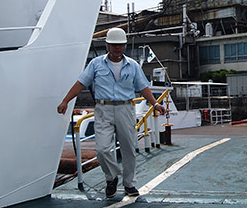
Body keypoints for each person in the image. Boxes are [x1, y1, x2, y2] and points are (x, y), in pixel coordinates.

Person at [57, 27, 166, 199]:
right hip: (103, 109)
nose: (118, 48)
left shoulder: (133, 65)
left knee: (129, 149)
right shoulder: (96, 64)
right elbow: (80, 84)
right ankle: (112, 177)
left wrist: (155, 104)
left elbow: (143, 87)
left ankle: (129, 184)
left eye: (121, 45)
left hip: (125, 109)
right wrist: (65, 100)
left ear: (125, 45)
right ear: (107, 45)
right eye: (114, 45)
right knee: (101, 150)